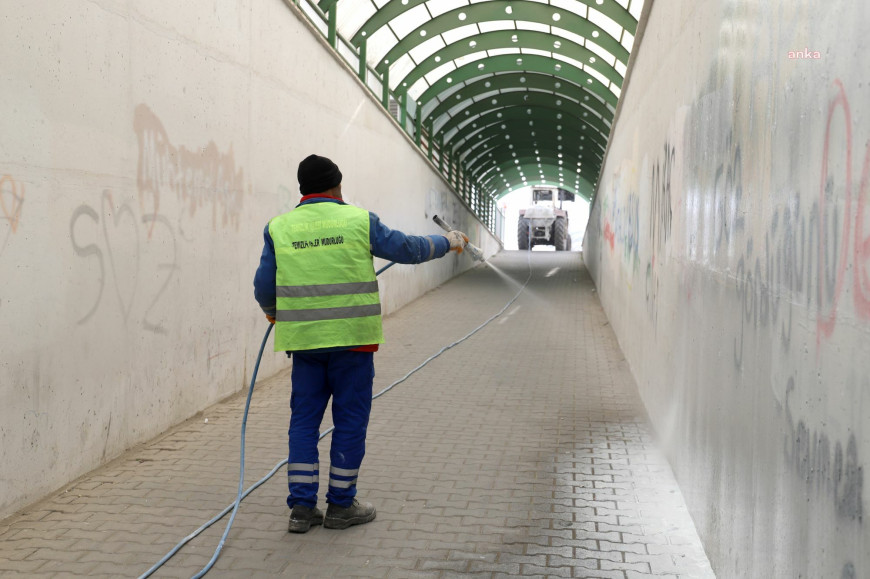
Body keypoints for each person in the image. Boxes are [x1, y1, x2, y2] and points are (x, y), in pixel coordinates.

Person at [253, 154, 469, 533]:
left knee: (303, 422)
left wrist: (274, 312)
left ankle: (302, 510)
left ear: (303, 189)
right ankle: (340, 506)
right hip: (353, 345)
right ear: (336, 186)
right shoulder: (358, 220)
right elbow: (408, 249)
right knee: (349, 422)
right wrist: (448, 241)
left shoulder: (279, 228)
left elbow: (263, 285)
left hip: (305, 346)